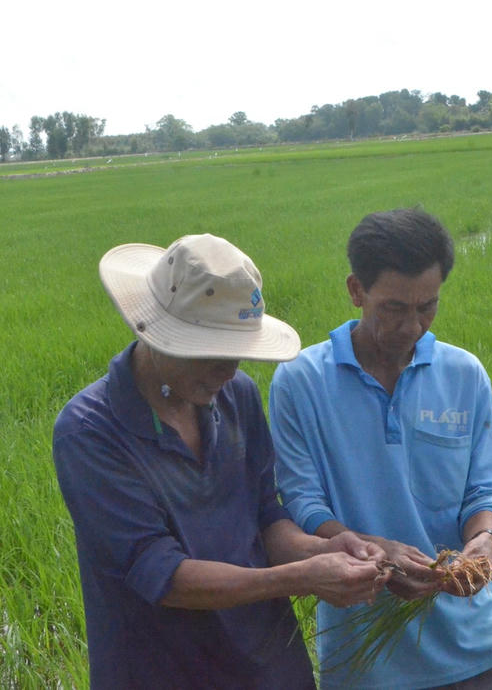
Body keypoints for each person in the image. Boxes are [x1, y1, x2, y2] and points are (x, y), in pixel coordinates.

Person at [53, 233, 387, 689]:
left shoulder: (237, 396)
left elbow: (266, 518)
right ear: (156, 334)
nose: (228, 371)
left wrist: (325, 549)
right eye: (210, 353)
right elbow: (166, 577)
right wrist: (302, 577)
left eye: (238, 354)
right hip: (163, 673)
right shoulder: (91, 431)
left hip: (269, 667)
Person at [269, 208, 492, 689]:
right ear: (356, 290)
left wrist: (483, 542)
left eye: (428, 306)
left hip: (483, 641)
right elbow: (302, 502)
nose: (413, 326)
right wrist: (376, 550)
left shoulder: (464, 375)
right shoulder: (301, 381)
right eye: (395, 308)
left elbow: (483, 491)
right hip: (367, 655)